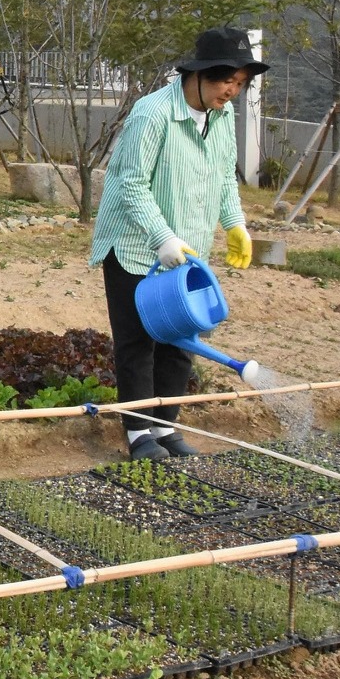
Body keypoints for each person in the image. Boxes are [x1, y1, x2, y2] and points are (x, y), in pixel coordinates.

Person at [89, 26, 267, 462]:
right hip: (135, 247)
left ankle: (167, 428)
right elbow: (127, 181)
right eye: (227, 81)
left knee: (179, 341)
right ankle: (138, 434)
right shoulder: (153, 114)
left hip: (186, 253)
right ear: (200, 75)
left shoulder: (222, 120)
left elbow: (225, 175)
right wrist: (161, 236)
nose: (232, 91)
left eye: (240, 84)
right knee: (138, 342)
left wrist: (234, 223)